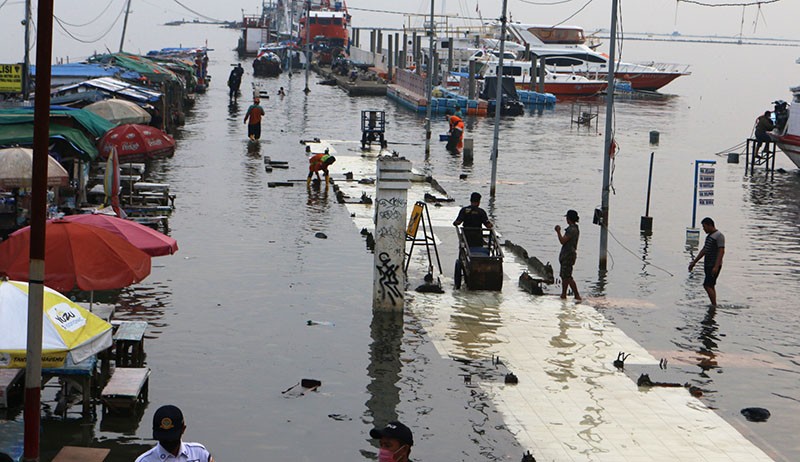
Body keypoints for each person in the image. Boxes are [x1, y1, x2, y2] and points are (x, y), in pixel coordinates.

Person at [135, 405, 213, 462]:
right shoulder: (144, 460)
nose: (168, 442)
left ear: (183, 429)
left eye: (172, 439)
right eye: (164, 439)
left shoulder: (199, 454)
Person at [689, 217, 725, 306]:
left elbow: (721, 251)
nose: (704, 229)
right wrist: (694, 262)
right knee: (710, 285)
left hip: (713, 265)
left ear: (710, 225)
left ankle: (714, 305)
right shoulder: (709, 236)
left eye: (704, 227)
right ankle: (713, 304)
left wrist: (716, 266)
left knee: (707, 285)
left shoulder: (719, 236)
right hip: (708, 264)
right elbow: (704, 250)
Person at [555, 209, 581, 301]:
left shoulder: (571, 230)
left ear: (569, 219)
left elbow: (562, 241)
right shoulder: (575, 228)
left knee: (567, 276)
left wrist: (558, 232)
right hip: (568, 255)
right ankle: (563, 294)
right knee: (564, 276)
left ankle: (577, 295)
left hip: (568, 255)